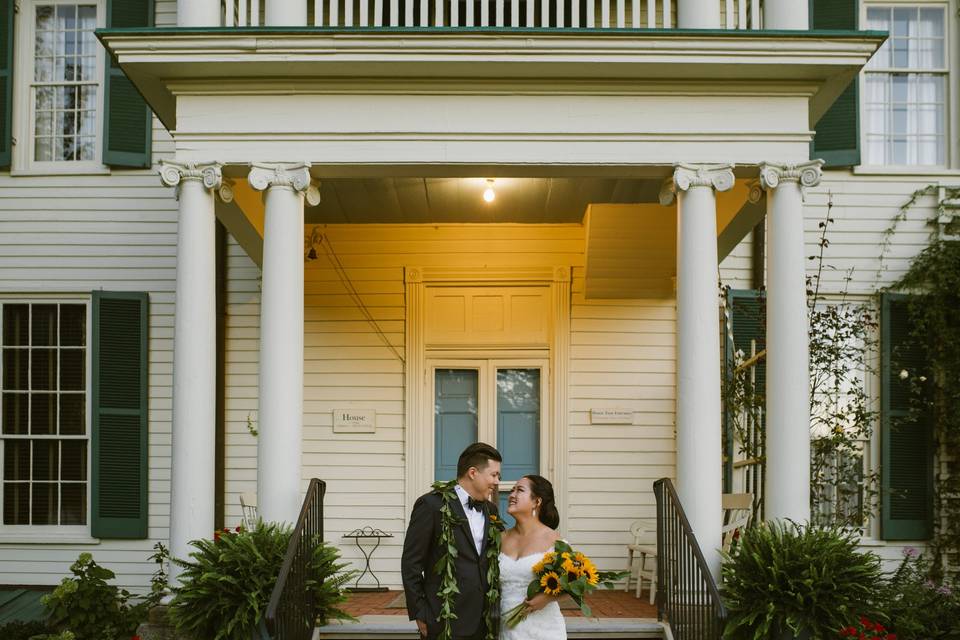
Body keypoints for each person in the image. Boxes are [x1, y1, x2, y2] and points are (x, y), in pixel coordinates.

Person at [402, 442, 503, 640]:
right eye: (493, 475)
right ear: (473, 472)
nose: (497, 482)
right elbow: (411, 563)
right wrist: (420, 612)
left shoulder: (491, 510)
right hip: (444, 621)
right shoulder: (431, 505)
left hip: (485, 622)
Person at [498, 475, 566, 640]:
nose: (511, 495)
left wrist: (546, 598)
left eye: (519, 490)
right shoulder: (500, 538)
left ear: (537, 502)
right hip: (507, 628)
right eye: (512, 490)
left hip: (544, 630)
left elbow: (574, 585)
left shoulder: (554, 540)